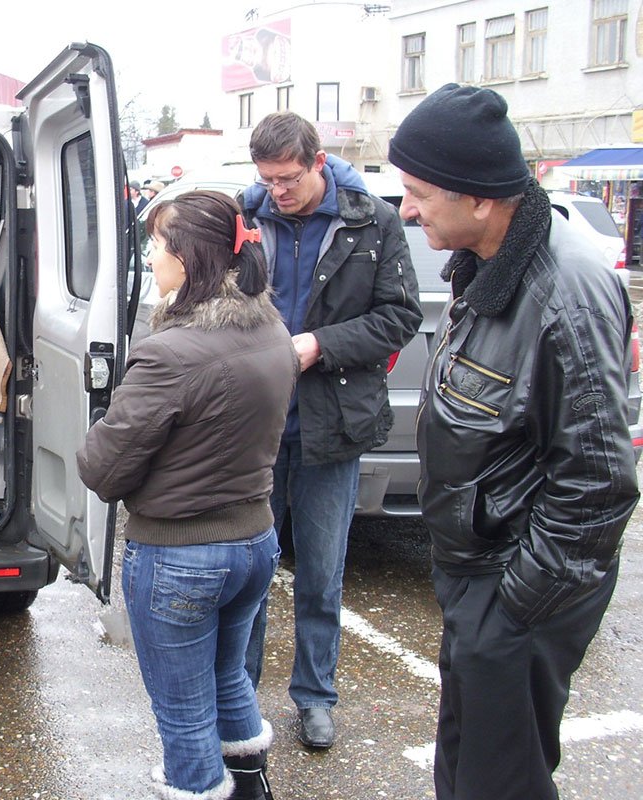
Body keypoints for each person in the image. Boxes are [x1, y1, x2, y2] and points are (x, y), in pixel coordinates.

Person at [389, 83, 639, 800]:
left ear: (480, 198)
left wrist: (511, 611)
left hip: (517, 593)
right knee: (466, 769)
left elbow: (597, 484)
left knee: (501, 784)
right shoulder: (490, 265)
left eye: (417, 193)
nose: (406, 209)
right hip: (480, 576)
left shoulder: (565, 290)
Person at [78, 190, 298, 800]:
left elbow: (102, 469)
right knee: (229, 678)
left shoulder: (169, 354)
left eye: (156, 246)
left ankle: (201, 788)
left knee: (183, 717)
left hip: (180, 557)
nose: (150, 260)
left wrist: (100, 427)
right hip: (253, 544)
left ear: (190, 257)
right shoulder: (273, 329)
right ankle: (253, 789)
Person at [237, 111, 422, 750]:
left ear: (318, 162)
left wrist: (321, 345)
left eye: (287, 179)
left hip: (331, 425)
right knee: (249, 571)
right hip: (256, 427)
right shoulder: (247, 214)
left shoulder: (374, 222)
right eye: (266, 179)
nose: (276, 192)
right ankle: (241, 697)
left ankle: (315, 698)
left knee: (321, 573)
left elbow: (400, 316)